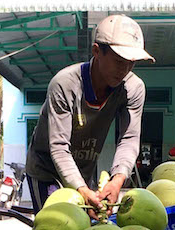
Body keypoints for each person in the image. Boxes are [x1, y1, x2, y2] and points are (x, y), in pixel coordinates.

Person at [24, 14, 154, 217]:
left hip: (83, 170)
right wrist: (81, 189)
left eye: (132, 63)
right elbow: (58, 147)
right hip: (45, 170)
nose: (125, 69)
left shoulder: (133, 88)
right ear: (96, 51)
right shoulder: (65, 85)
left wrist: (118, 179)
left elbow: (129, 139)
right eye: (119, 61)